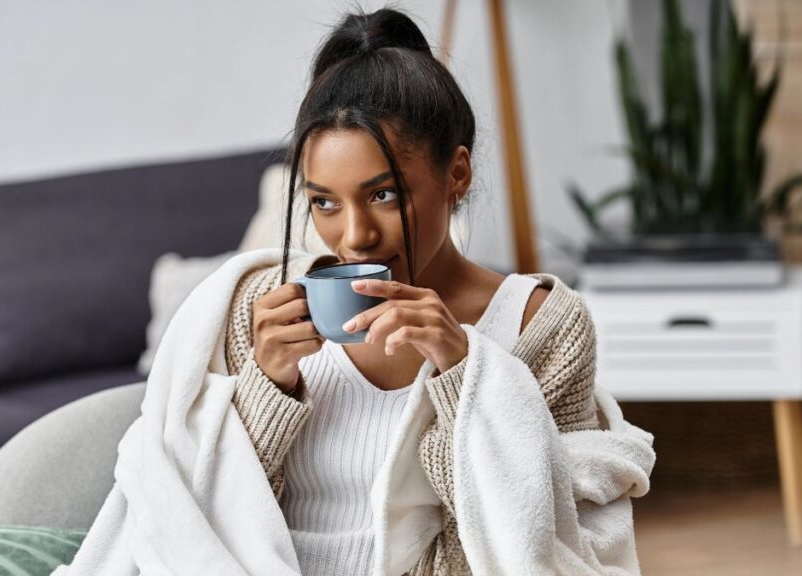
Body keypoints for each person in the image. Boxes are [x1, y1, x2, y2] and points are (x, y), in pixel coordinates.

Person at [222, 7, 601, 575]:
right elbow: (211, 512)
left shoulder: (540, 326)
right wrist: (267, 387)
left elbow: (538, 540)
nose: (355, 236)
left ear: (457, 175)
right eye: (324, 201)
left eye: (383, 195)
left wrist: (463, 376)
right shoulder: (264, 307)